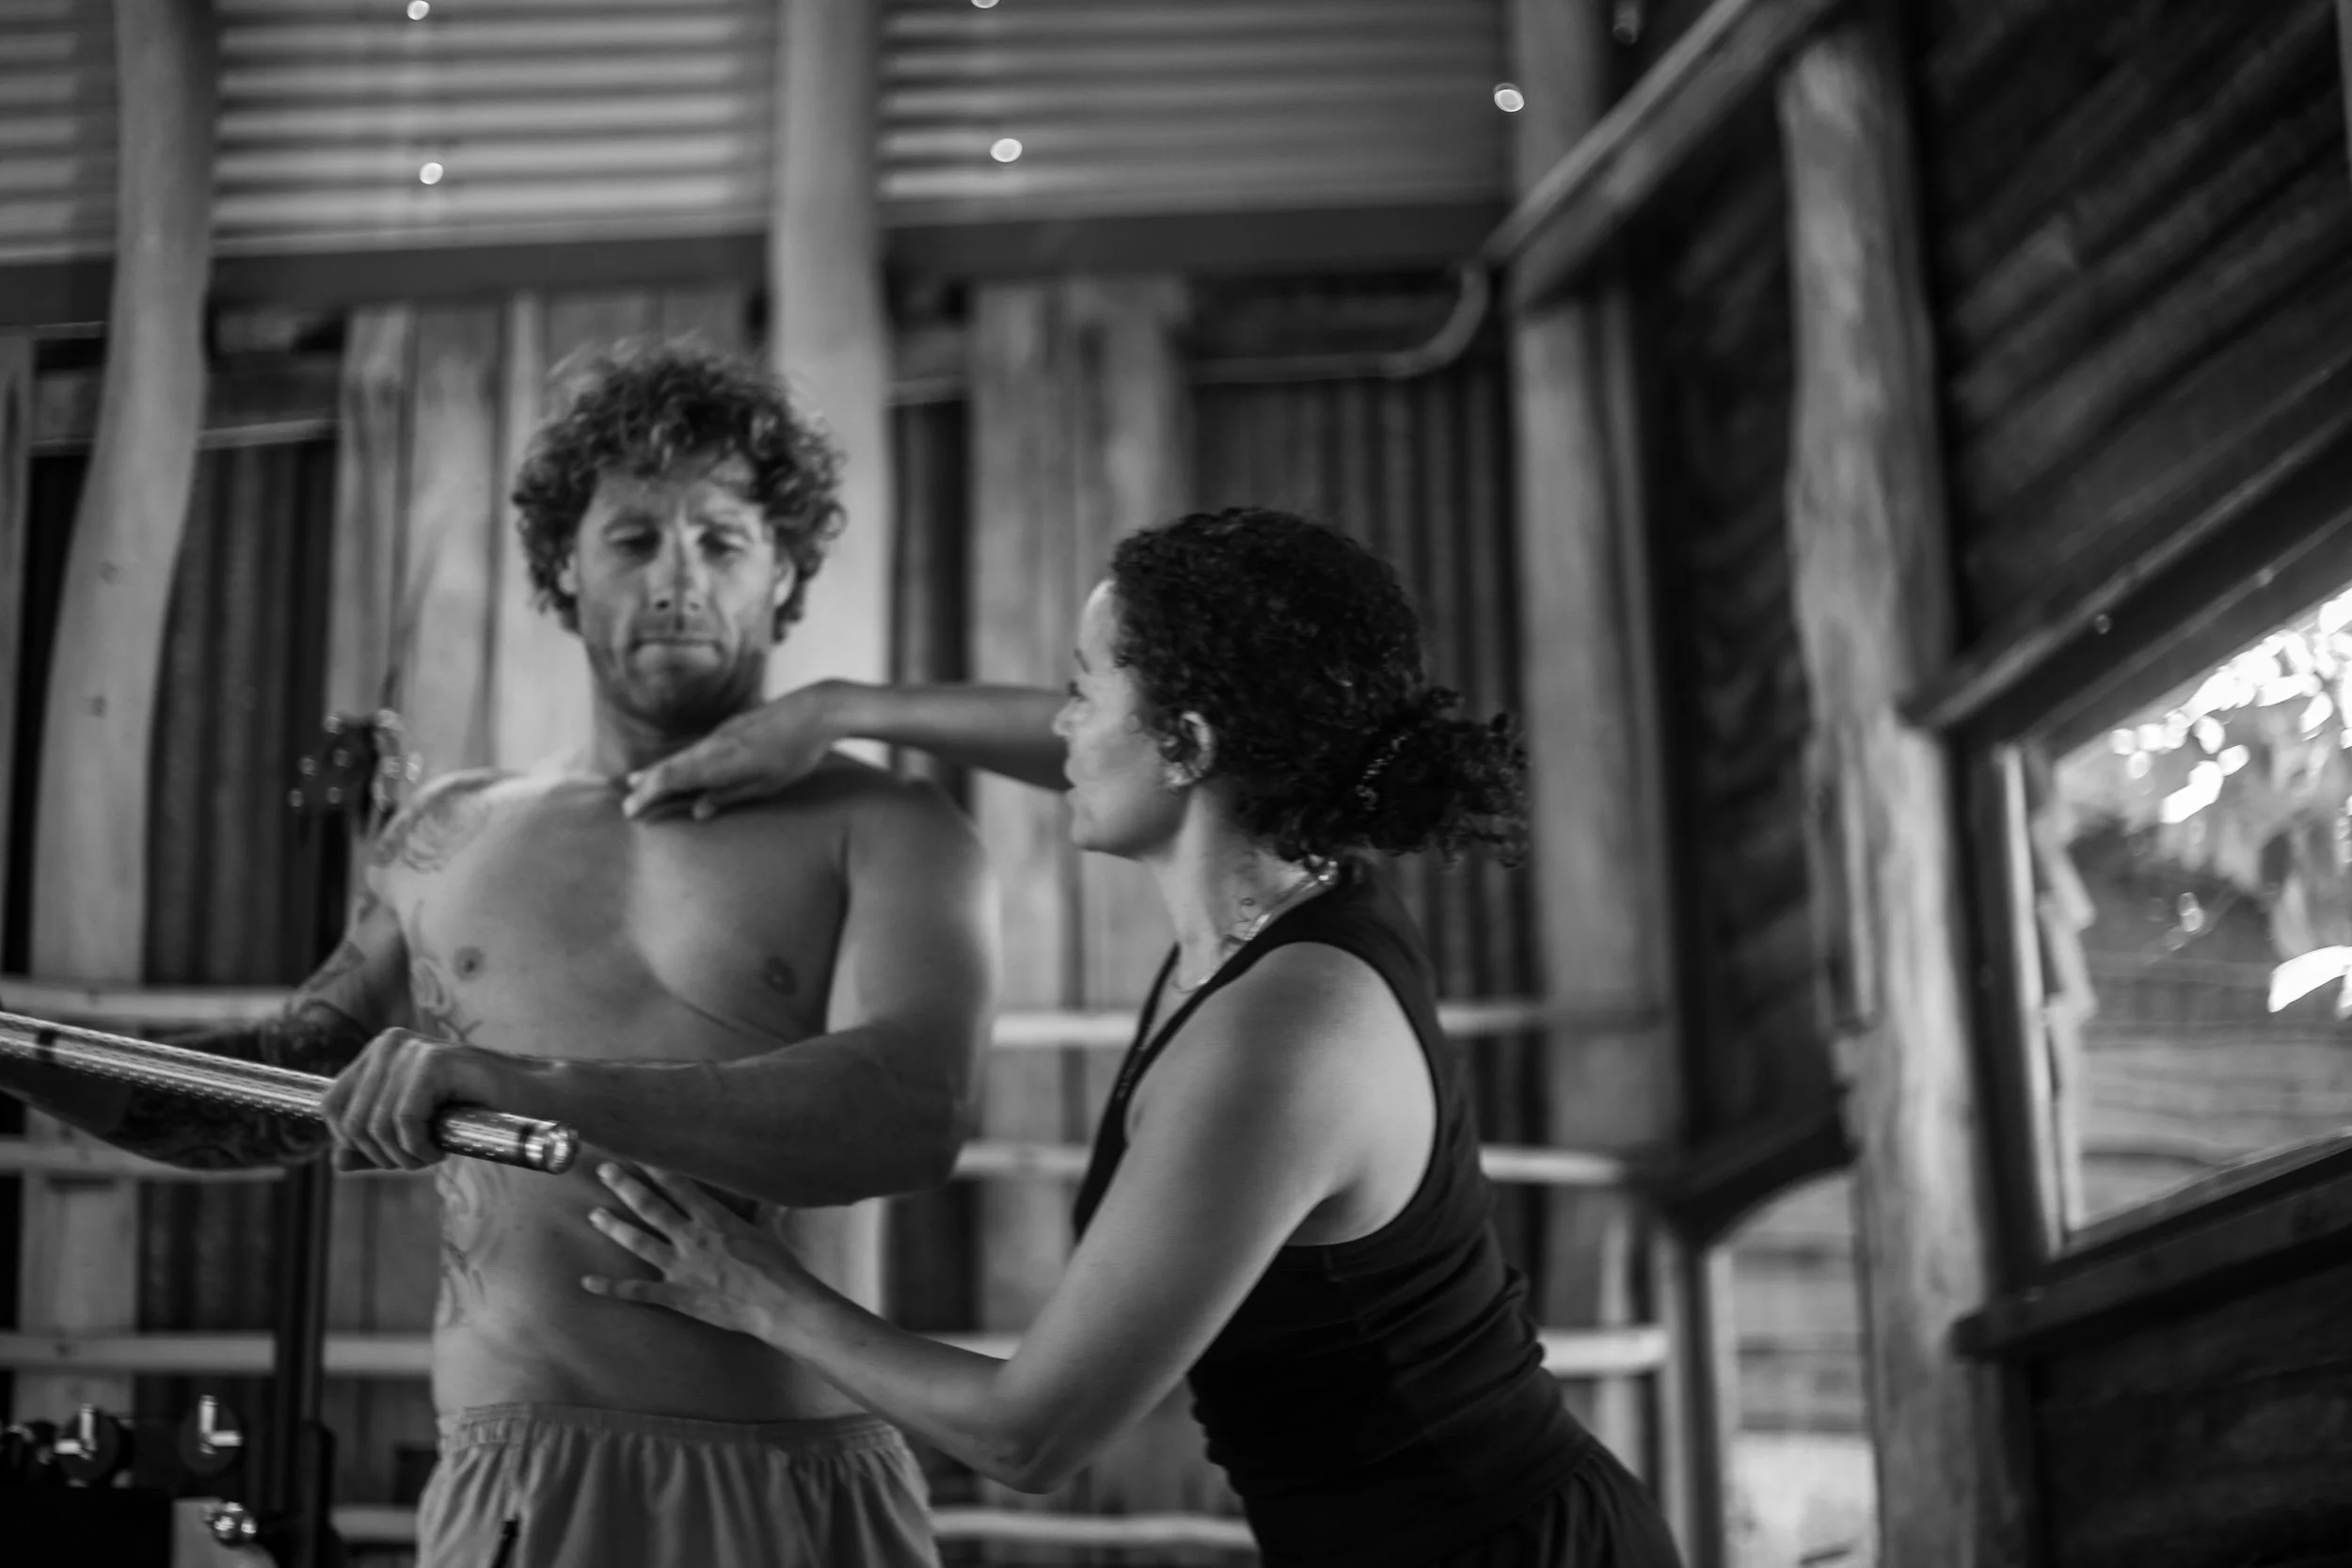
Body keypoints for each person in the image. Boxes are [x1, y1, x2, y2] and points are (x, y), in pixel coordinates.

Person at [0, 345, 996, 1568]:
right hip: (524, 1477)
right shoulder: (445, 834)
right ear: (563, 572)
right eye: (634, 539)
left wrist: (529, 1086)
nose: (678, 578)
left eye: (722, 540)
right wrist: (19, 1056)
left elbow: (908, 1111)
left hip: (801, 1478)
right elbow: (274, 1093)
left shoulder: (893, 825)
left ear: (783, 568)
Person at [595, 509, 1686, 1567]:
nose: (1057, 720)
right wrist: (840, 707)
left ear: (1186, 744)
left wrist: (755, 1287)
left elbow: (1030, 1432)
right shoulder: (1286, 871)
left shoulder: (1282, 1037)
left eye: (1080, 687)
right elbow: (1095, 744)